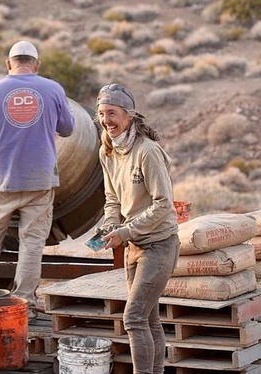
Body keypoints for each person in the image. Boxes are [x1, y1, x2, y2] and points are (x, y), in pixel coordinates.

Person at [0, 41, 75, 312]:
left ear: (8, 63)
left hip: (1, 178)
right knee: (32, 242)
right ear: (36, 64)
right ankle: (24, 299)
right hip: (40, 180)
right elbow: (68, 129)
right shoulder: (52, 89)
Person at [96, 83, 179, 374]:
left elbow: (164, 206)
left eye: (113, 113)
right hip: (135, 246)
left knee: (133, 318)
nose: (107, 120)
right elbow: (112, 199)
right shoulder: (107, 151)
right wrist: (110, 224)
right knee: (149, 319)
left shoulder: (147, 152)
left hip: (160, 245)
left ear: (130, 115)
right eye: (102, 113)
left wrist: (126, 232)